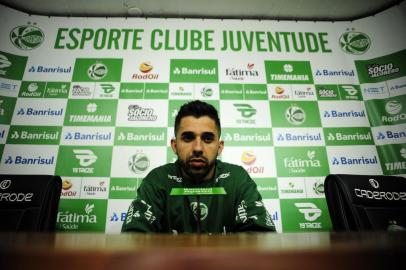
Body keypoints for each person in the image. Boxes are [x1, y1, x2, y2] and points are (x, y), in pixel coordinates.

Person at [122, 100, 275, 233]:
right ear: (175, 145)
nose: (198, 148)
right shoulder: (158, 180)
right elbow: (134, 237)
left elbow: (261, 237)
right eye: (188, 138)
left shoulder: (237, 178)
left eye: (207, 139)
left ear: (220, 147)